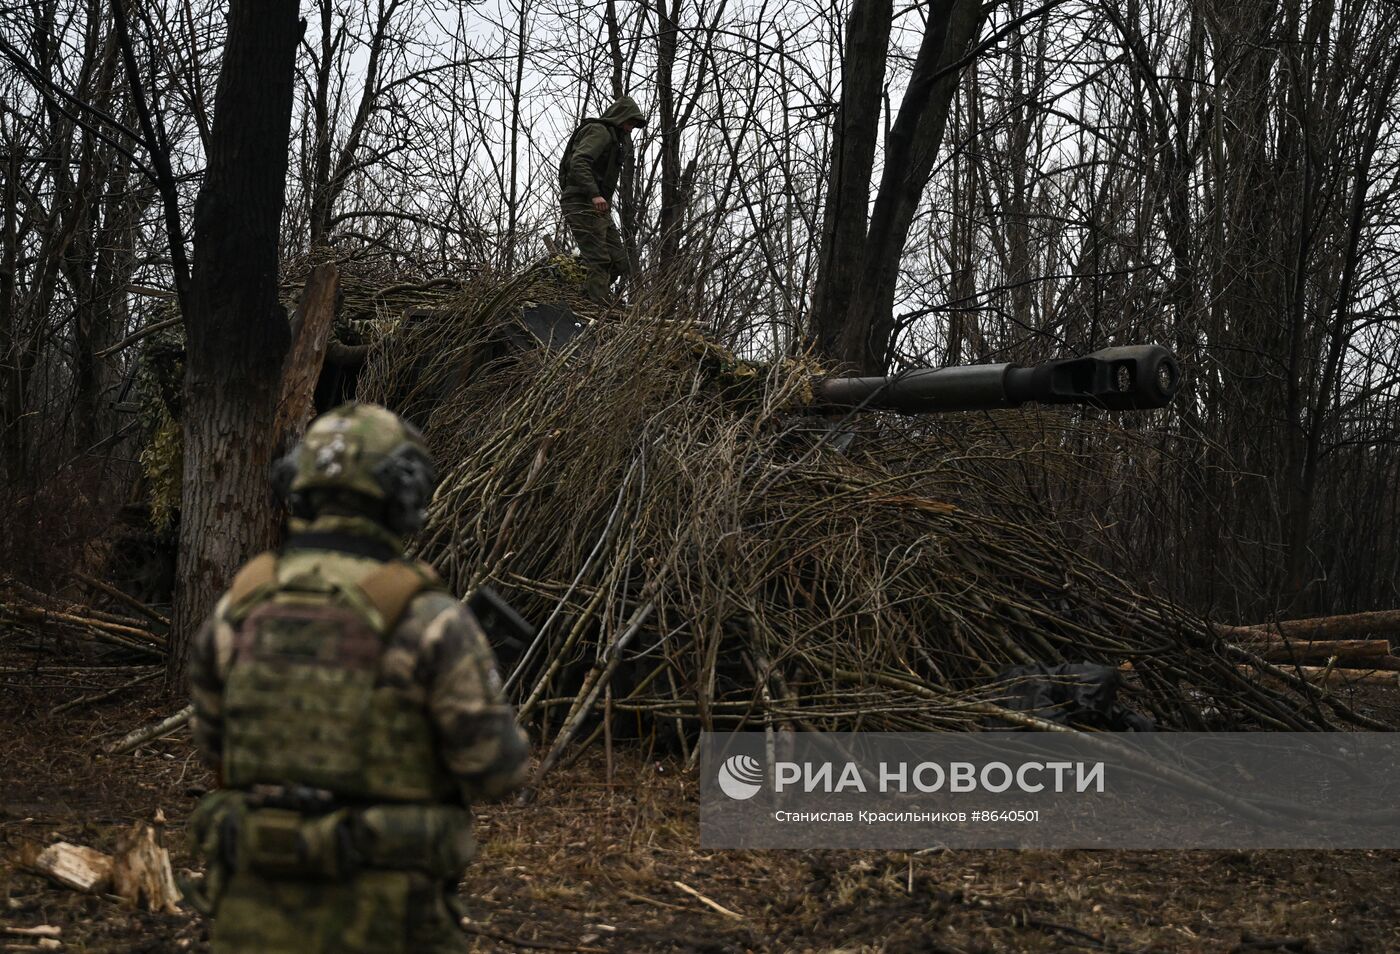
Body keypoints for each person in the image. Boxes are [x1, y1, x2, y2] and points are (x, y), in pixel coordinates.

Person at [185, 402, 529, 953]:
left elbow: (214, 745)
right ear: (403, 495)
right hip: (388, 921)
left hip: (251, 918)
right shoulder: (430, 620)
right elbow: (498, 771)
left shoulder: (239, 609)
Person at [558, 95, 648, 304]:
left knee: (619, 261)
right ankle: (594, 304)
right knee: (598, 259)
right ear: (619, 117)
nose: (629, 128)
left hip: (597, 206)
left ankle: (588, 294)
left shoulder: (615, 139)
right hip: (581, 200)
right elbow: (579, 161)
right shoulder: (599, 132)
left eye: (633, 125)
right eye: (629, 123)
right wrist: (594, 194)